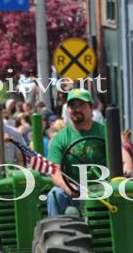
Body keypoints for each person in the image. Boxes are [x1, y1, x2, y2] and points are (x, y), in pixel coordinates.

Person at [46, 88, 107, 216]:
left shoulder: (105, 132)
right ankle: (57, 233)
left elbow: (122, 154)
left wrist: (127, 166)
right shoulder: (60, 138)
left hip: (104, 186)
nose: (76, 109)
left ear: (91, 108)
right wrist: (67, 187)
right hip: (74, 189)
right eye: (72, 106)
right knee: (55, 195)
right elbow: (54, 171)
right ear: (68, 110)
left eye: (81, 105)